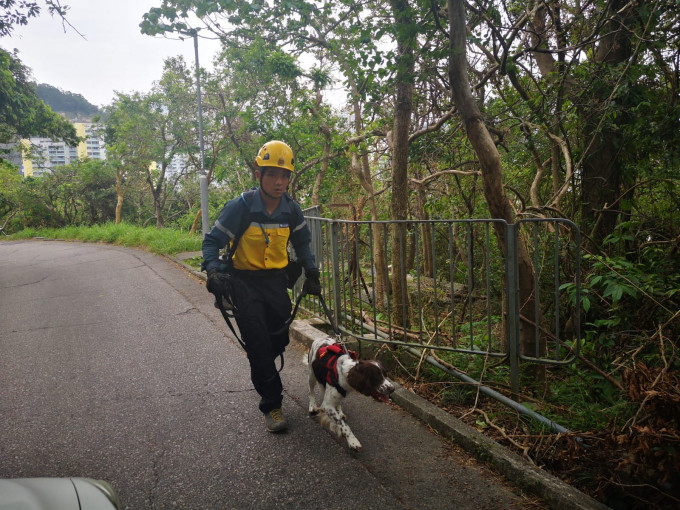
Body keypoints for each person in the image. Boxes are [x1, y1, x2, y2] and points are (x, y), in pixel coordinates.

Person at [202, 140, 321, 433]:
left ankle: (265, 366)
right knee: (257, 344)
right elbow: (211, 242)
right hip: (244, 284)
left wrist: (312, 272)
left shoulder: (291, 211)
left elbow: (303, 244)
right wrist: (213, 270)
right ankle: (272, 404)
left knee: (277, 340)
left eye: (284, 176)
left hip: (276, 284)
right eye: (272, 175)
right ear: (259, 175)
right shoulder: (240, 208)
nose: (279, 182)